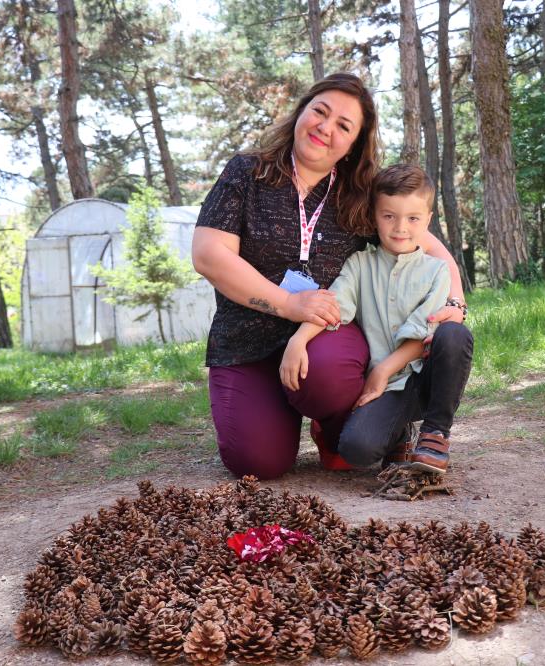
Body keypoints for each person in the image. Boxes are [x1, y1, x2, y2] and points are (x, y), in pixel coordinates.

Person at [192, 72, 466, 480]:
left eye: (344, 125)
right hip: (246, 339)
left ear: (355, 142)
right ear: (301, 111)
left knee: (344, 439)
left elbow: (428, 244)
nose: (325, 128)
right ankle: (272, 408)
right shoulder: (247, 172)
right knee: (257, 464)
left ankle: (332, 424)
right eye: (320, 112)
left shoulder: (359, 192)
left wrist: (455, 303)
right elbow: (209, 255)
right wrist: (288, 303)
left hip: (326, 339)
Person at [279, 165, 473, 474]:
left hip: (427, 378)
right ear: (374, 216)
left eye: (413, 218)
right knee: (357, 449)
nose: (400, 228)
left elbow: (423, 330)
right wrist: (299, 339)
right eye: (389, 216)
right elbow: (335, 306)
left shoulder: (436, 270)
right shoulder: (359, 265)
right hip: (390, 388)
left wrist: (382, 369)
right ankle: (398, 433)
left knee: (454, 334)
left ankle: (435, 433)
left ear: (428, 220)